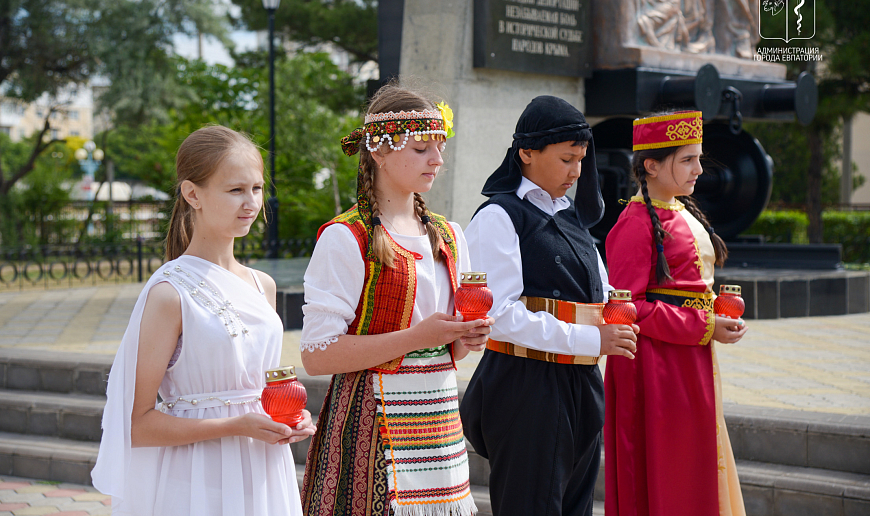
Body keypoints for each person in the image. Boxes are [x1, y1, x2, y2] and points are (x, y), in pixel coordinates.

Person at [92, 126, 316, 516]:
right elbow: (137, 425)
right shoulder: (169, 294)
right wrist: (235, 426)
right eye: (235, 190)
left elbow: (264, 386)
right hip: (195, 475)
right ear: (192, 194)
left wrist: (291, 417)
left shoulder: (263, 285)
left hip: (262, 468)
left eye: (257, 189)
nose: (250, 203)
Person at [300, 83, 492, 516]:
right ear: (380, 151)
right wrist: (415, 336)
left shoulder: (448, 235)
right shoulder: (347, 236)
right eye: (422, 148)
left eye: (439, 147)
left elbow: (450, 350)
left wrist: (467, 336)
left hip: (439, 420)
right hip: (374, 422)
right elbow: (316, 355)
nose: (437, 160)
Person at [461, 96, 640, 516]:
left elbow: (602, 290)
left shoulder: (571, 216)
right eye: (565, 159)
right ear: (526, 153)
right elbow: (498, 315)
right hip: (527, 387)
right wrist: (592, 338)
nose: (576, 171)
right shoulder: (499, 217)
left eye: (580, 159)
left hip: (581, 383)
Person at [604, 110, 748, 516]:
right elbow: (627, 307)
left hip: (687, 356)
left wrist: (715, 315)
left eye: (698, 158)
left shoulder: (680, 212)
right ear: (651, 165)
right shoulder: (634, 224)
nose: (699, 169)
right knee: (670, 469)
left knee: (694, 459)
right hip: (655, 367)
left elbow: (687, 290)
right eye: (687, 160)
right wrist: (705, 325)